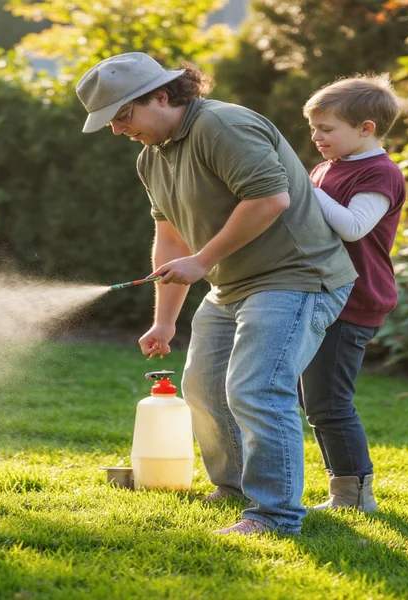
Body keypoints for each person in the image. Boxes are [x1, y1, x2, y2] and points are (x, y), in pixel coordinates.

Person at [76, 52, 357, 536]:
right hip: (233, 285)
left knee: (257, 388)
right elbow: (171, 239)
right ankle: (237, 488)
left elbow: (270, 200)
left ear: (162, 96)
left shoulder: (221, 125)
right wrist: (164, 321)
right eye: (111, 122)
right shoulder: (152, 157)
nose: (119, 130)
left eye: (123, 116)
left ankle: (275, 515)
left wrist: (203, 262)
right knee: (204, 388)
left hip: (296, 275)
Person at [300, 74, 407, 511]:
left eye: (327, 129)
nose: (316, 136)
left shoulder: (380, 172)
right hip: (324, 291)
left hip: (355, 299)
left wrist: (306, 190)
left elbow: (354, 226)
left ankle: (355, 495)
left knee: (328, 400)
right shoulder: (328, 167)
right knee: (315, 399)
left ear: (366, 128)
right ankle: (345, 489)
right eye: (314, 127)